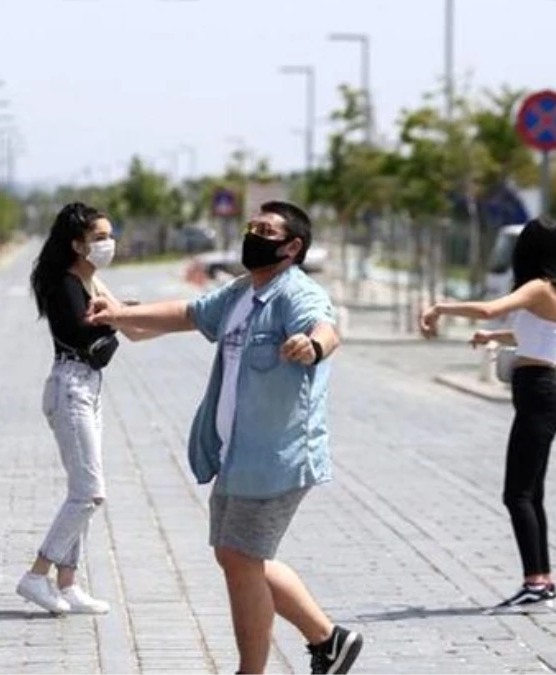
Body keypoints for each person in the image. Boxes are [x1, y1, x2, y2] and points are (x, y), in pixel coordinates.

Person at [88, 201, 363, 675]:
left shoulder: (296, 294)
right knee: (237, 556)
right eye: (252, 226)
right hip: (237, 454)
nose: (254, 234)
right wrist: (120, 314)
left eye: (267, 230)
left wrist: (313, 346)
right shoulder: (240, 293)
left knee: (241, 558)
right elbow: (188, 313)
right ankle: (328, 638)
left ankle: (252, 670)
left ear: (292, 246)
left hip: (277, 455)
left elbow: (327, 327)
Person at [419, 216, 556, 612]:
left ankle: (535, 583)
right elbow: (532, 335)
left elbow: (489, 309)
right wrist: (493, 338)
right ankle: (542, 582)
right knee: (531, 494)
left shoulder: (539, 287)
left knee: (516, 493)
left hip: (539, 395)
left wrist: (440, 308)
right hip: (541, 394)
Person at [16, 202, 156, 615]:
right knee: (90, 493)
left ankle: (68, 583)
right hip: (70, 388)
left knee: (81, 490)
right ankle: (37, 575)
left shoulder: (93, 283)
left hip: (88, 391)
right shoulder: (65, 286)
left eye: (110, 236)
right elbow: (91, 345)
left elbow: (132, 330)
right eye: (99, 238)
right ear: (77, 244)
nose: (108, 244)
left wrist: (138, 317)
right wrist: (112, 323)